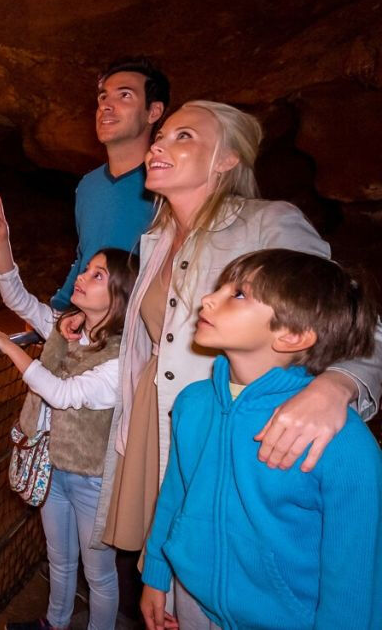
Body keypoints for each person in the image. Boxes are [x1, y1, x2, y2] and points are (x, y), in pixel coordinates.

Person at [89, 101, 381, 571]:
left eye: (184, 136)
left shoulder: (268, 223)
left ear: (227, 160)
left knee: (213, 571)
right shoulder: (156, 238)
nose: (159, 143)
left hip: (231, 431)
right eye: (160, 135)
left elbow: (349, 311)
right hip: (158, 418)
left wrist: (338, 385)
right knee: (163, 572)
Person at [139, 249, 382, 630]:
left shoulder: (344, 445)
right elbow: (176, 494)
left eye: (239, 294)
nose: (209, 298)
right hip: (192, 601)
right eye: (221, 287)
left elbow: (354, 576)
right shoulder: (193, 404)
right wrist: (155, 572)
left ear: (293, 335)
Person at [0, 196, 139, 630]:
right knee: (59, 558)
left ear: (120, 295)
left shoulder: (121, 358)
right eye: (87, 269)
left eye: (97, 275)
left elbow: (63, 394)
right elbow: (17, 297)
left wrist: (10, 347)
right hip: (52, 467)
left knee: (100, 574)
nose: (82, 278)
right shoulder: (64, 325)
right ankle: (55, 623)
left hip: (92, 477)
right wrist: (2, 244)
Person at [50, 57, 169, 311]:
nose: (106, 106)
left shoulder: (169, 184)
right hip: (89, 324)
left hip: (143, 330)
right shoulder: (88, 186)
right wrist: (59, 307)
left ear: (153, 111)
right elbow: (85, 254)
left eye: (124, 96)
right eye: (103, 98)